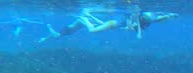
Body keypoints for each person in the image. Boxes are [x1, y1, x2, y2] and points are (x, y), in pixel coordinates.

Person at [38, 7, 177, 43]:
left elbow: (156, 19)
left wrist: (168, 16)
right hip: (111, 24)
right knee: (91, 30)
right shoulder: (134, 20)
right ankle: (84, 19)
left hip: (111, 24)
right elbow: (130, 24)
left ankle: (48, 36)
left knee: (61, 34)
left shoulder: (139, 22)